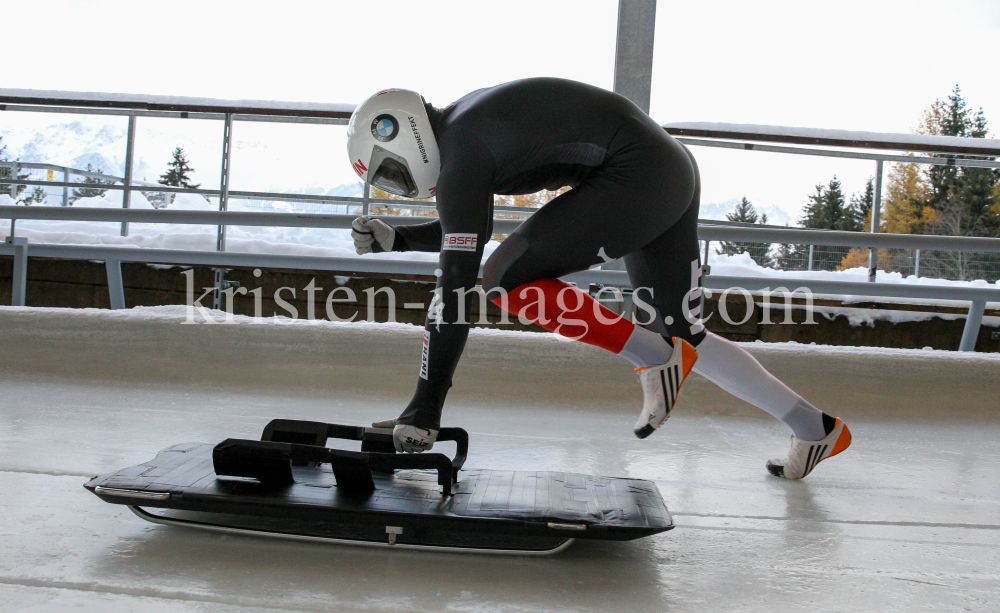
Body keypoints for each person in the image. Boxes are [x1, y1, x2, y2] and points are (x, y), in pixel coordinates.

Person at [346, 78, 850, 480]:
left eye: (392, 173)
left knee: (503, 278)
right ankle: (815, 427)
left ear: (399, 132)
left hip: (640, 174)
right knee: (684, 333)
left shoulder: (461, 150)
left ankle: (655, 358)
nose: (401, 185)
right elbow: (463, 229)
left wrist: (424, 409)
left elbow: (454, 290)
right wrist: (403, 240)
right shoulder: (463, 129)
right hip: (664, 170)